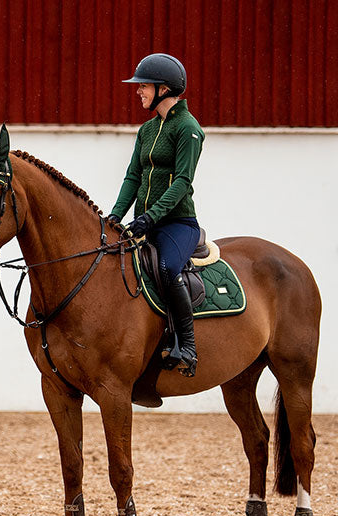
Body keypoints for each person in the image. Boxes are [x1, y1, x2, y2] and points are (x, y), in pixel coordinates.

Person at [108, 53, 205, 377]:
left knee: (166, 268)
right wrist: (115, 216)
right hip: (145, 222)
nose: (138, 91)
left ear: (164, 89)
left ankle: (188, 345)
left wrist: (151, 216)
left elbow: (182, 182)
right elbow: (132, 177)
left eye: (144, 86)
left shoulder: (188, 128)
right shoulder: (147, 130)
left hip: (177, 223)